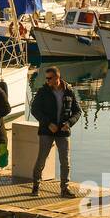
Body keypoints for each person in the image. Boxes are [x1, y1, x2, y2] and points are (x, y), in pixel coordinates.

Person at [30, 66, 82, 197]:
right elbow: (34, 110)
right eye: (46, 78)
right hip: (46, 131)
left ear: (57, 77)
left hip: (63, 131)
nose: (47, 80)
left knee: (65, 161)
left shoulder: (69, 91)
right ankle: (36, 186)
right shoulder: (43, 91)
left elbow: (78, 111)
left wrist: (69, 123)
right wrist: (48, 123)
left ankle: (64, 189)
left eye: (49, 78)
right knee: (41, 159)